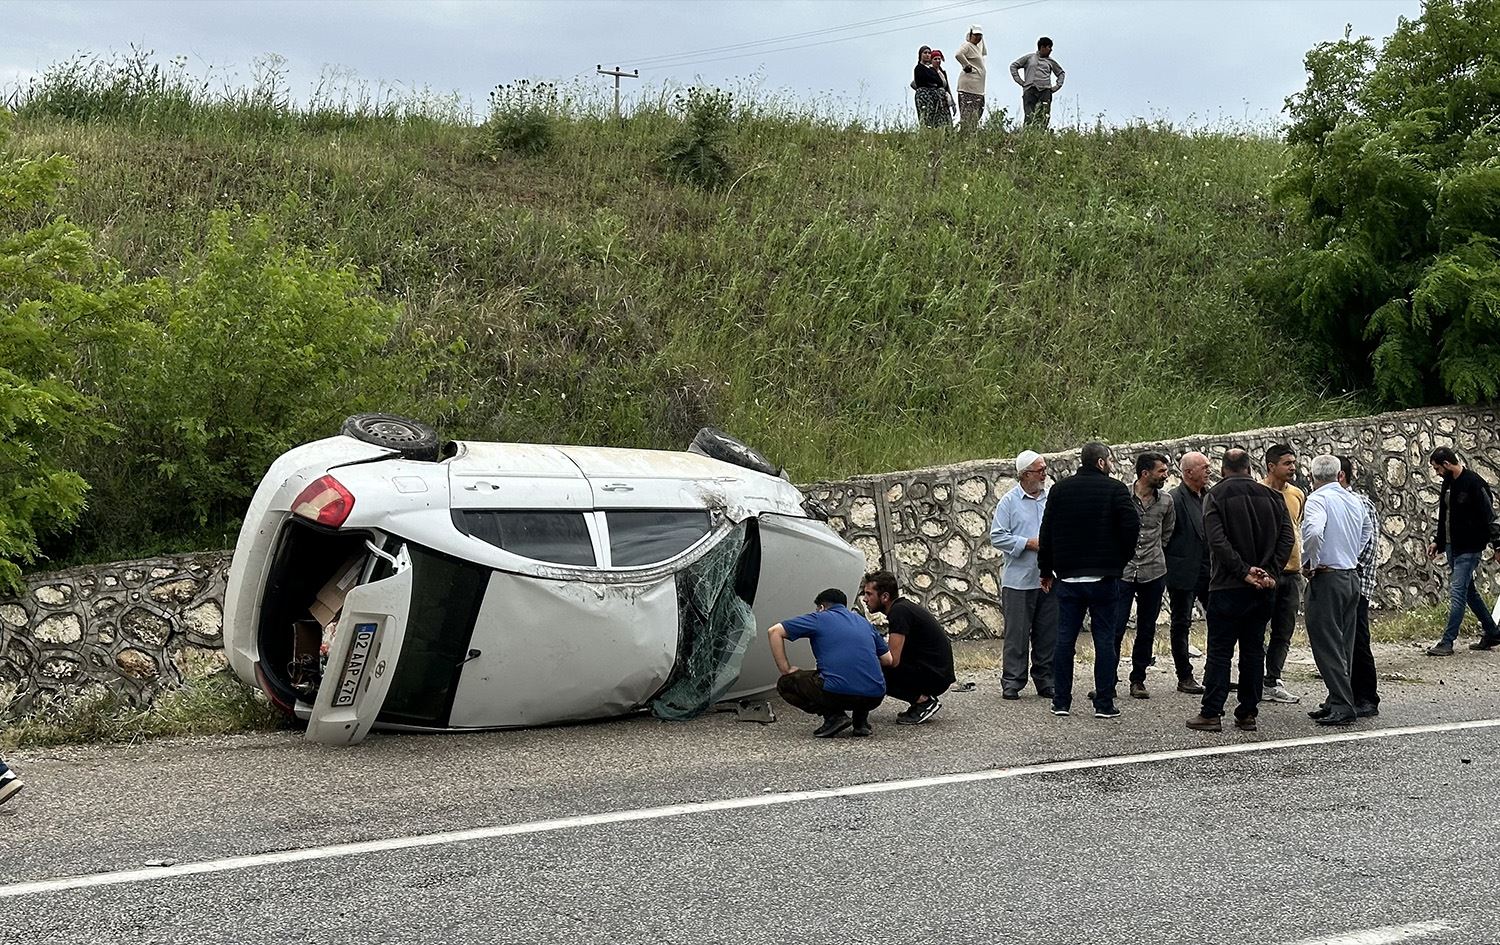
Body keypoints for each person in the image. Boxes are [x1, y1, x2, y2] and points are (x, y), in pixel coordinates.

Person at [1187, 447, 1293, 733]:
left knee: (1220, 652)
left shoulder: (1215, 496)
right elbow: (1287, 538)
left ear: (1224, 470)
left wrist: (1243, 571)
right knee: (1253, 650)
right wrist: (1270, 572)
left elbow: (1216, 541)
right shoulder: (1273, 497)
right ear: (1250, 468)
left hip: (1227, 586)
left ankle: (1211, 712)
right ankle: (1248, 713)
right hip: (1263, 588)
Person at [1038, 441, 1141, 719]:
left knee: (1064, 640)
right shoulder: (1115, 490)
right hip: (1104, 578)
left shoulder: (1060, 490)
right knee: (1104, 641)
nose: (1112, 464)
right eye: (1110, 460)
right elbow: (1132, 526)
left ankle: (1061, 701)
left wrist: (1046, 570)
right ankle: (1104, 703)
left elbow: (1047, 531)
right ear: (1100, 462)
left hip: (1068, 577)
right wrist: (1119, 560)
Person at [1300, 455, 1374, 727]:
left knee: (1327, 643)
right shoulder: (1354, 500)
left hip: (1328, 576)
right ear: (1338, 474)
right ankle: (1337, 698)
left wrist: (1310, 562)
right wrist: (1351, 552)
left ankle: (1342, 703)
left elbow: (1313, 532)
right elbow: (1366, 530)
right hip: (1350, 575)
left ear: (1312, 476)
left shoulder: (1317, 499)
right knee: (1345, 643)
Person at [770, 588, 892, 737]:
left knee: (786, 683)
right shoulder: (864, 622)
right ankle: (860, 722)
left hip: (837, 693)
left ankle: (834, 717)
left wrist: (786, 669)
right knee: (859, 677)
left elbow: (774, 631)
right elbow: (888, 659)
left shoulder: (819, 618)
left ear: (822, 607)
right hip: (874, 696)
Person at [989, 449, 1057, 700]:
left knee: (1048, 633)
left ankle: (1046, 679)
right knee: (1016, 635)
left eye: (1045, 469)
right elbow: (997, 536)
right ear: (1025, 474)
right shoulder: (1009, 502)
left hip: (1049, 577)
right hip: (1019, 580)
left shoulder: (1052, 498)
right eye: (1040, 470)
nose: (1044, 474)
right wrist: (1028, 543)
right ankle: (1012, 681)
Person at [1425, 446, 1500, 655]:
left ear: (1447, 464)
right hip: (1453, 547)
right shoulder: (1448, 483)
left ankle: (1447, 641)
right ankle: (1493, 632)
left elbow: (1490, 516)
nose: (1437, 473)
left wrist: (1497, 545)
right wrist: (1438, 542)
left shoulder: (1475, 483)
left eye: (1438, 468)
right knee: (1469, 593)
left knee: (1457, 592)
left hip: (1470, 548)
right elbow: (1445, 515)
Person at [1115, 451, 1176, 699]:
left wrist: (1155, 552)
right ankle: (1107, 679)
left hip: (1153, 571)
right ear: (1145, 473)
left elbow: (1167, 532)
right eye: (1161, 471)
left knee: (1147, 628)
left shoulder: (1166, 501)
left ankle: (1138, 679)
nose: (1166, 475)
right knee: (1115, 626)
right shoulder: (1122, 497)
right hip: (1124, 571)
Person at [861, 570, 955, 724]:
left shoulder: (899, 612)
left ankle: (923, 701)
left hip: (936, 676)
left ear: (884, 597)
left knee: (873, 670)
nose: (865, 599)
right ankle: (919, 700)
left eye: (869, 594)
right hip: (936, 670)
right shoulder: (902, 608)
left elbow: (893, 660)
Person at [1163, 450, 1211, 694]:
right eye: (1204, 467)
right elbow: (1165, 536)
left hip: (1210, 570)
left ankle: (1215, 674)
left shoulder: (1210, 496)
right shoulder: (1174, 499)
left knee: (1220, 621)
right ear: (1189, 472)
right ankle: (1185, 676)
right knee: (1181, 624)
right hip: (1183, 571)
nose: (1209, 471)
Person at [1261, 444, 1305, 704]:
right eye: (1287, 463)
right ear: (1271, 466)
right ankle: (1255, 677)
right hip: (1267, 573)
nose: (1292, 468)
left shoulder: (1297, 494)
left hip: (1292, 572)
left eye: (1293, 463)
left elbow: (1297, 528)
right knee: (1257, 628)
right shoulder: (1257, 492)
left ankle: (1273, 679)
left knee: (1284, 630)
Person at [1010, 36, 1065, 129]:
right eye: (1049, 47)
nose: (1051, 50)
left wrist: (1056, 87)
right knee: (1029, 115)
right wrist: (1020, 81)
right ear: (1042, 47)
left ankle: (1041, 134)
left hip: (1045, 91)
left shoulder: (1051, 62)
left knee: (1044, 116)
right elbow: (1013, 66)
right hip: (1030, 90)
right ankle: (1028, 133)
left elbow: (1061, 73)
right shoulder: (1030, 58)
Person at [954, 25, 988, 129]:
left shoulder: (977, 47)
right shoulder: (968, 45)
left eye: (979, 35)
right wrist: (966, 65)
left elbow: (984, 52)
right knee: (968, 115)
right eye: (975, 35)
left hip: (978, 88)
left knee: (976, 114)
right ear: (971, 35)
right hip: (969, 87)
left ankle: (970, 134)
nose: (978, 37)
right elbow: (958, 54)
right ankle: (965, 135)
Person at [911, 46, 953, 128]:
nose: (927, 55)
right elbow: (921, 82)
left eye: (929, 53)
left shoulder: (932, 69)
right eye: (925, 53)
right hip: (924, 96)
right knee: (927, 118)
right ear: (920, 55)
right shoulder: (919, 68)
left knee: (935, 119)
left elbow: (939, 81)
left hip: (933, 97)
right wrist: (932, 84)